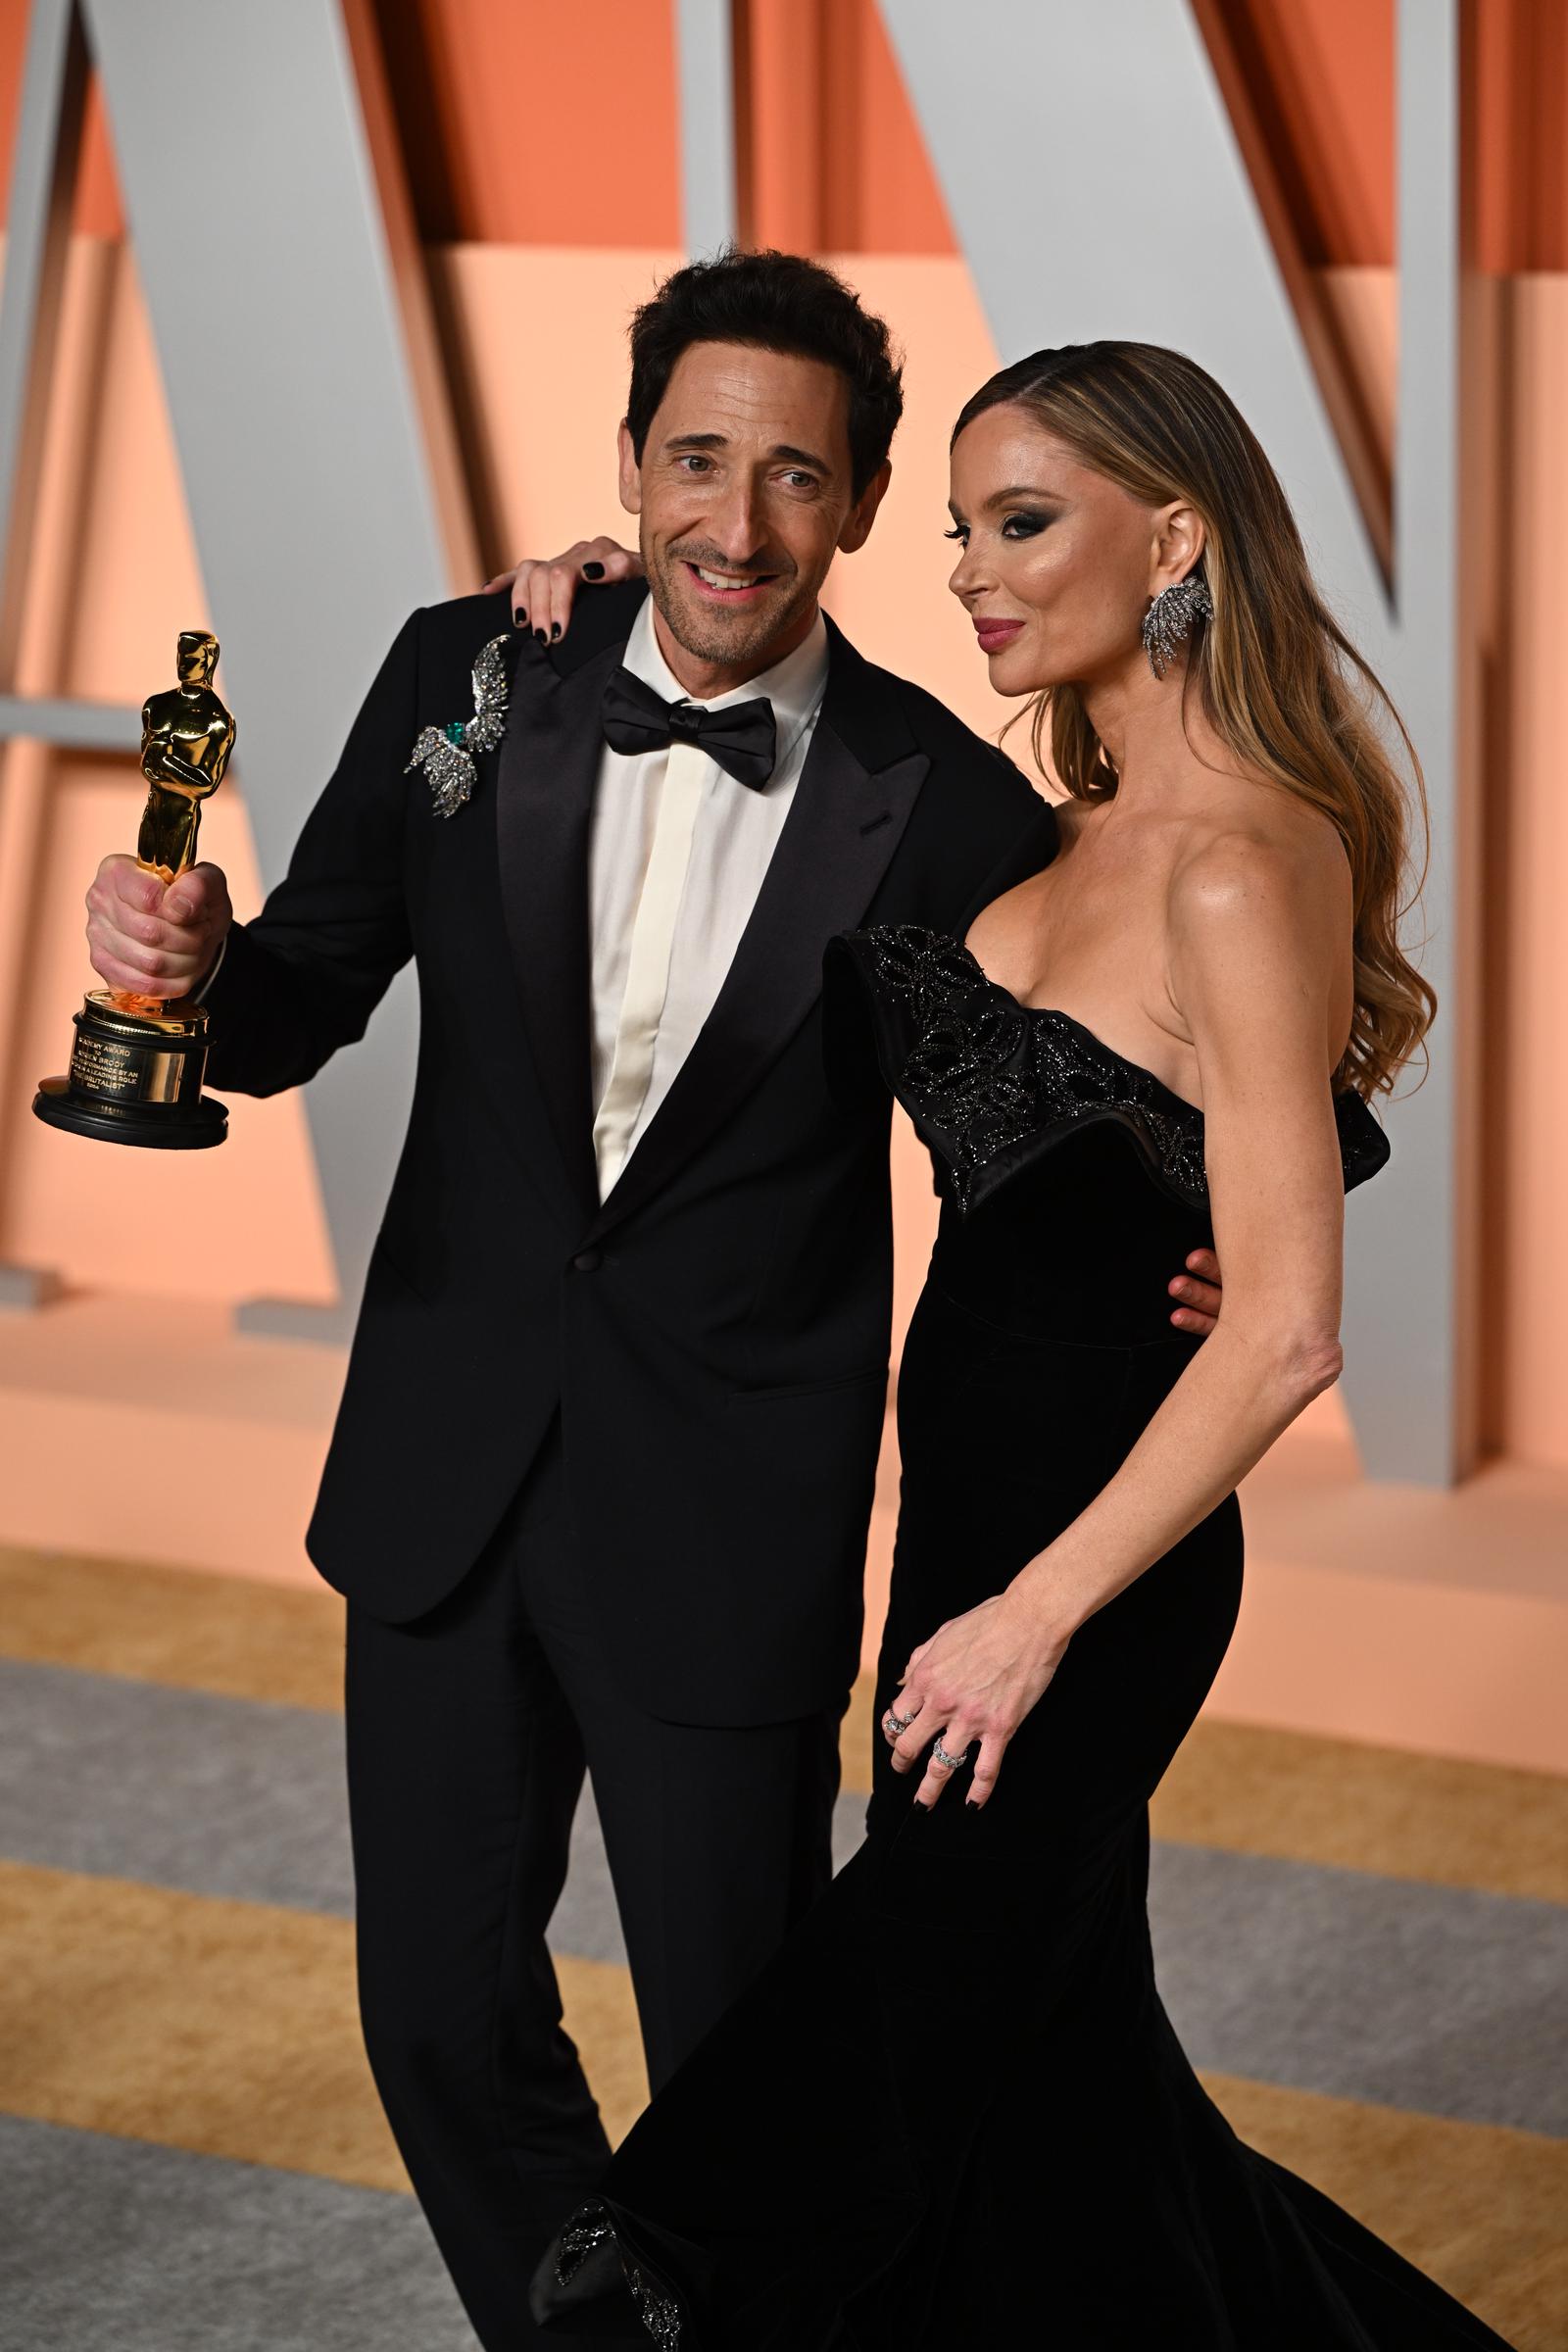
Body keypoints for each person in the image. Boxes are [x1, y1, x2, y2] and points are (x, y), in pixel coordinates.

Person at [78, 254, 1223, 2352]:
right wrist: (191, 962)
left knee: (742, 2072)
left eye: (794, 475)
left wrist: (1212, 1210)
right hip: (438, 1475)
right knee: (434, 2020)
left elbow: (1119, 1040)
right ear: (626, 463)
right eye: (694, 459)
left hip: (726, 1513)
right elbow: (302, 994)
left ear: (863, 506)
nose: (734, 521)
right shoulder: (467, 678)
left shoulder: (940, 799)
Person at [521, 344, 1515, 2349]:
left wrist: (1034, 1618)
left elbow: (1288, 1331)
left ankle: (661, 2255)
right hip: (958, 1529)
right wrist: (598, 606)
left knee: (920, 1963)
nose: (968, 570)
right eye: (962, 523)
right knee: (1064, 2088)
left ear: (1172, 535)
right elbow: (1191, 1155)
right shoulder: (1046, 830)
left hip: (1090, 1572)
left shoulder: (1242, 859)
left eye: (1021, 522)